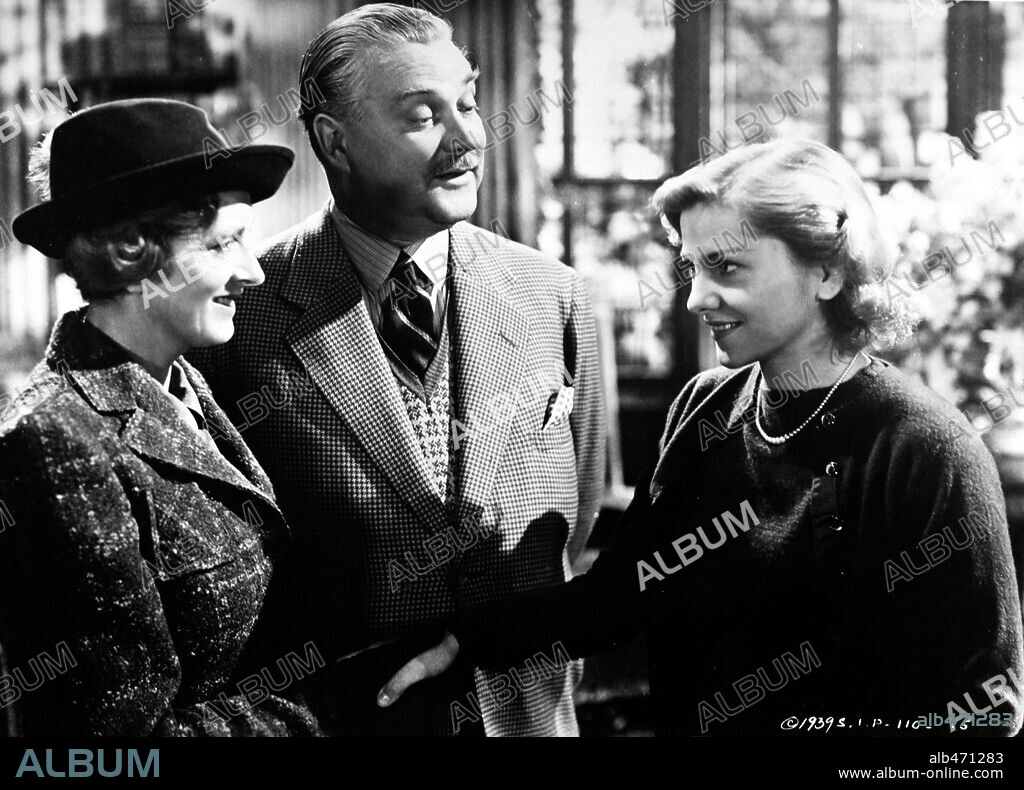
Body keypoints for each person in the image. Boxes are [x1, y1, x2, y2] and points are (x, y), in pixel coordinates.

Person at [378, 138, 1024, 736]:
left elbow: (986, 716)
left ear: (827, 272)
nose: (695, 299)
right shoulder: (705, 407)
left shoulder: (926, 448)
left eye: (727, 268)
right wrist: (467, 639)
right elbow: (622, 594)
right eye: (691, 267)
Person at [189, 3, 605, 737]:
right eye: (424, 116)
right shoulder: (238, 318)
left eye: (469, 103)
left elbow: (581, 521)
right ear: (334, 142)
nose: (469, 137)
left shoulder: (556, 296)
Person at [0, 98, 319, 736]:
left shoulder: (183, 382)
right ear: (130, 250)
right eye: (221, 242)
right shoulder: (58, 438)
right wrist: (331, 712)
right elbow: (122, 740)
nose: (253, 271)